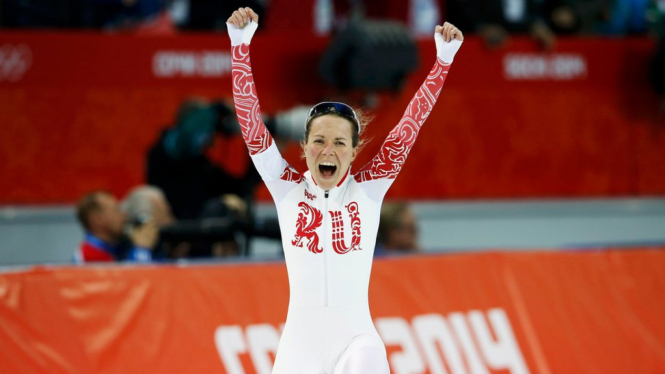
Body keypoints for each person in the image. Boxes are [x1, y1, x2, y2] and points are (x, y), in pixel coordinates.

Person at [227, 7, 463, 373]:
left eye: (339, 142)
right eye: (319, 140)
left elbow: (408, 128)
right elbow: (252, 126)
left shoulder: (367, 190)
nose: (328, 150)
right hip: (298, 349)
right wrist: (238, 48)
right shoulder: (285, 187)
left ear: (354, 151)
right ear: (303, 147)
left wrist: (442, 63)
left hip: (358, 343)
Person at [74, 190, 158, 263]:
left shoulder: (116, 248)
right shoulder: (88, 257)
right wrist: (141, 250)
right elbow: (132, 280)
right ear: (97, 219)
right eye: (116, 210)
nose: (124, 215)